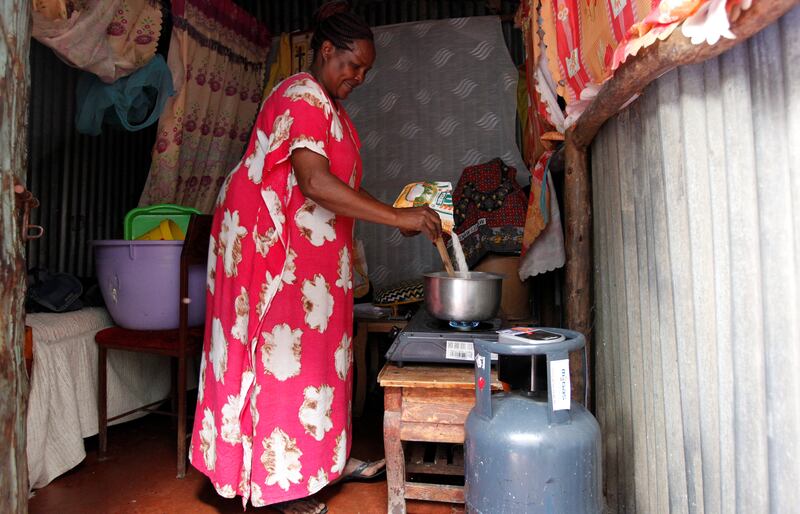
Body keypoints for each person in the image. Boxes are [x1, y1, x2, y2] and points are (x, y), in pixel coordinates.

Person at [188, 2, 442, 513]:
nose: (359, 77)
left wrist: (400, 209)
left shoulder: (331, 110)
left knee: (318, 355)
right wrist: (397, 219)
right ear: (327, 50)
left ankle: (317, 460)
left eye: (367, 71)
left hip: (307, 257)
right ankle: (276, 484)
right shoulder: (301, 94)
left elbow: (340, 183)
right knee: (282, 356)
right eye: (353, 65)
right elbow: (313, 181)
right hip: (270, 247)